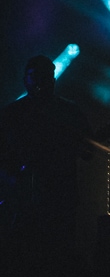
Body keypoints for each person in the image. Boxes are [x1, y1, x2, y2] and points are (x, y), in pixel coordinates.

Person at [0, 55, 95, 254]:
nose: (40, 82)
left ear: (52, 80)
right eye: (35, 76)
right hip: (23, 201)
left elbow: (88, 152)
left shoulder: (69, 112)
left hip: (59, 201)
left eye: (44, 77)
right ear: (25, 79)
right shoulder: (12, 113)